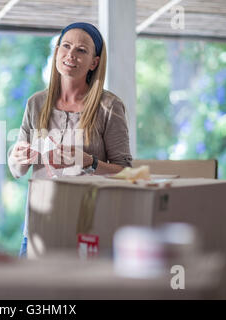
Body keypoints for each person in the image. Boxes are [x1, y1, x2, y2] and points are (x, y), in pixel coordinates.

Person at [8, 22, 133, 257]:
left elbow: (126, 173)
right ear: (57, 51)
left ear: (94, 62)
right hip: (39, 228)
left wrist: (89, 162)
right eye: (65, 46)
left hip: (90, 229)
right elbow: (17, 170)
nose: (70, 55)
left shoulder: (109, 107)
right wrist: (17, 157)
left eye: (81, 50)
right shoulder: (36, 103)